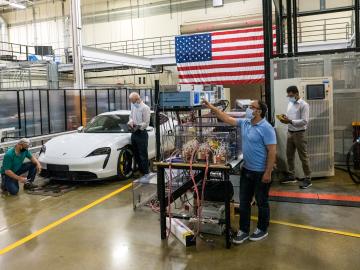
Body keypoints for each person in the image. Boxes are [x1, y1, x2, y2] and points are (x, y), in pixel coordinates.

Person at [203, 99, 276, 244]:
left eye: (251, 107)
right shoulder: (245, 123)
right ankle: (243, 230)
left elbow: (272, 151)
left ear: (259, 111)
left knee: (262, 202)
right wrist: (212, 107)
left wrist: (268, 172)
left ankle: (262, 229)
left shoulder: (266, 128)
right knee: (244, 202)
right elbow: (226, 118)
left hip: (261, 172)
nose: (248, 109)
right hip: (247, 170)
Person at [279, 86, 312, 189]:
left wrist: (290, 121)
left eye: (291, 95)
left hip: (299, 133)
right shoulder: (290, 103)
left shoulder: (304, 105)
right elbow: (291, 117)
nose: (289, 97)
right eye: (288, 95)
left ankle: (308, 178)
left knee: (303, 156)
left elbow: (305, 121)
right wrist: (285, 117)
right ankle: (291, 175)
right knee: (289, 155)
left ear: (297, 94)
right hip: (290, 132)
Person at [128, 92, 151, 176]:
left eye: (133, 101)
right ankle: (139, 170)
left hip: (141, 133)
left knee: (143, 154)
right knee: (136, 154)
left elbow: (146, 122)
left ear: (137, 99)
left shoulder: (145, 108)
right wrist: (130, 122)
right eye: (131, 101)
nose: (132, 102)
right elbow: (130, 116)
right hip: (134, 133)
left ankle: (145, 172)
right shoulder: (133, 106)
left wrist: (138, 126)